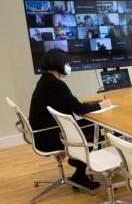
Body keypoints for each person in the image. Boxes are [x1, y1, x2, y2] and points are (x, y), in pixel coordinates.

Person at [29, 48, 112, 189]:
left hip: (43, 131)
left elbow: (71, 104)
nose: (69, 66)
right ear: (58, 63)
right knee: (93, 127)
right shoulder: (54, 84)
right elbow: (78, 109)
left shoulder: (45, 80)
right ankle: (79, 166)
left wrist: (91, 105)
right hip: (49, 135)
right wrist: (101, 105)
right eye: (67, 63)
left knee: (89, 126)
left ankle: (79, 167)